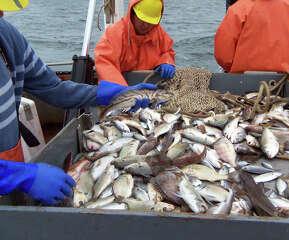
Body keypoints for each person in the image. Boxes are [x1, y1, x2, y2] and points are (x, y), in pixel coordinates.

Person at [0, 0, 157, 206]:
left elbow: (53, 89)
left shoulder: (7, 36)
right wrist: (15, 175)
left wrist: (111, 95)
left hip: (10, 161)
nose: (2, 13)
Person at [214, 0, 289, 89]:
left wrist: (233, 69)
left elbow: (223, 56)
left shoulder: (239, 8)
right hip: (287, 84)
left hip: (244, 83)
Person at [94, 0, 176, 86]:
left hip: (149, 88)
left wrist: (166, 61)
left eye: (150, 21)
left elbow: (167, 51)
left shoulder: (159, 34)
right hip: (120, 88)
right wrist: (124, 92)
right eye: (143, 20)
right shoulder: (113, 35)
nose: (146, 25)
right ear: (132, 13)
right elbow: (105, 63)